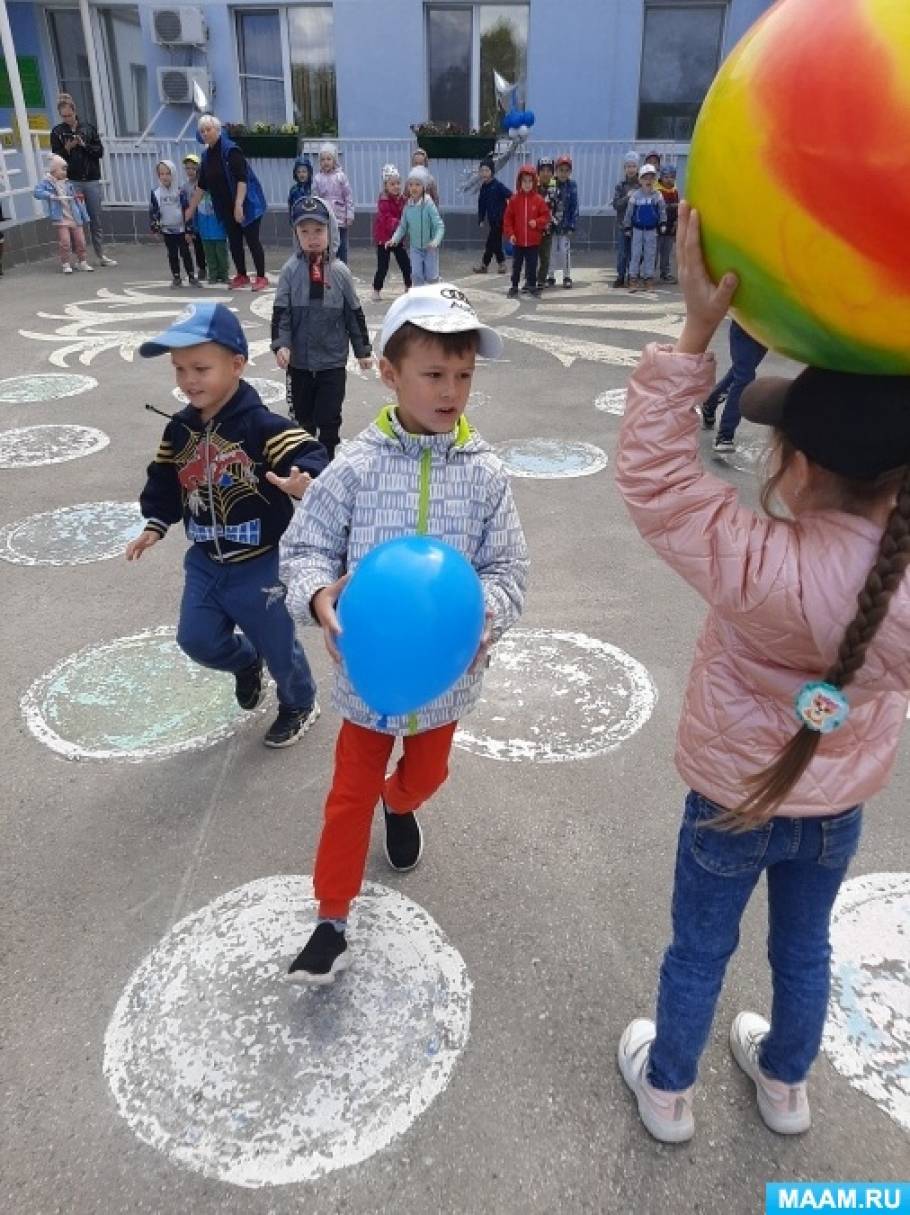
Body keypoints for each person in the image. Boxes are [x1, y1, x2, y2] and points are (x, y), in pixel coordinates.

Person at [615, 202, 910, 1145]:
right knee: (803, 946)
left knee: (699, 946)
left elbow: (658, 482)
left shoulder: (760, 561)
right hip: (835, 810)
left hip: (730, 796)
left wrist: (696, 330)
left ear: (796, 463)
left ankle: (669, 1090)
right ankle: (786, 1084)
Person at [279, 283, 529, 982]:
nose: (452, 390)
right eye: (434, 373)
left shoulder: (485, 474)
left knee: (427, 773)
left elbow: (510, 568)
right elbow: (304, 551)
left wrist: (486, 612)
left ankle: (403, 799)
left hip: (447, 682)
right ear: (389, 374)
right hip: (367, 679)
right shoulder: (354, 467)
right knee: (346, 796)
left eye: (464, 375)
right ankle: (331, 918)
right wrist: (317, 596)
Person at [126, 302, 329, 747]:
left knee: (279, 644)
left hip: (262, 563)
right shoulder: (178, 430)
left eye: (200, 368)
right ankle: (243, 662)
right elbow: (164, 479)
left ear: (236, 365)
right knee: (195, 639)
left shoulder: (262, 426)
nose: (188, 381)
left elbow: (308, 451)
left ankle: (299, 701)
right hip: (204, 561)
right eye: (179, 369)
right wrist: (154, 524)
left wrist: (303, 480)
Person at [272, 196, 373, 459]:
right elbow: (281, 313)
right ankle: (305, 458)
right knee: (302, 417)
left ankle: (327, 454)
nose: (312, 237)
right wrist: (281, 344)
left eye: (318, 230)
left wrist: (362, 350)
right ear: (295, 234)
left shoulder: (340, 273)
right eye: (304, 231)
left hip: (332, 362)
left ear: (331, 230)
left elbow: (354, 314)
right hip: (300, 363)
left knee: (329, 415)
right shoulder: (290, 271)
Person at [185, 115, 269, 291]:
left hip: (247, 202)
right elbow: (202, 185)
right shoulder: (206, 156)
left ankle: (261, 277)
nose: (205, 133)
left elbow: (242, 179)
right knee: (234, 241)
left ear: (218, 130)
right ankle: (242, 275)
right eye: (202, 131)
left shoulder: (231, 150)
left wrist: (238, 205)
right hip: (225, 205)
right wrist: (191, 208)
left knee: (252, 240)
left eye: (209, 129)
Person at [50, 92, 116, 267]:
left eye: (69, 115)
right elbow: (56, 159)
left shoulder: (88, 127)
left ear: (75, 111)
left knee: (95, 218)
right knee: (74, 221)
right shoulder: (57, 131)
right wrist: (68, 148)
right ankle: (80, 258)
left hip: (91, 178)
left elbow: (100, 152)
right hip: (71, 181)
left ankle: (101, 255)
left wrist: (83, 144)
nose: (67, 119)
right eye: (63, 116)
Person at [700, 319, 768, 453]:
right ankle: (725, 435)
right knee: (744, 376)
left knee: (742, 372)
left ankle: (710, 402)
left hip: (767, 329)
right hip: (745, 324)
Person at [33, 154, 93, 274]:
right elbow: (37, 192)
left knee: (81, 241)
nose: (65, 172)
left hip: (75, 216)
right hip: (60, 218)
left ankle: (82, 262)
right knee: (65, 242)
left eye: (66, 169)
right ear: (54, 170)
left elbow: (76, 200)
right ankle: (65, 263)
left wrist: (79, 202)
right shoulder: (47, 183)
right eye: (63, 169)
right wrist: (50, 196)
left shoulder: (68, 183)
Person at [386, 166, 444, 287]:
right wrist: (394, 240)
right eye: (411, 184)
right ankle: (419, 301)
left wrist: (435, 241)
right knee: (416, 276)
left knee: (431, 277)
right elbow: (402, 227)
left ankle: (436, 293)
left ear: (424, 187)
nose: (414, 188)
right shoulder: (407, 206)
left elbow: (440, 226)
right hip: (415, 248)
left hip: (430, 248)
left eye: (418, 184)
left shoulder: (429, 204)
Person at [503, 163, 550, 299]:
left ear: (534, 182)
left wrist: (537, 223)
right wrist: (510, 234)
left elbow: (546, 217)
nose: (527, 184)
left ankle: (531, 285)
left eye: (530, 181)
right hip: (518, 242)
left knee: (532, 265)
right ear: (519, 182)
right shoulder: (514, 200)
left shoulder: (539, 200)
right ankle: (514, 286)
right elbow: (508, 219)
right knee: (516, 266)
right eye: (524, 181)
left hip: (533, 242)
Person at [149, 160, 200, 289]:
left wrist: (189, 230)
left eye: (168, 173)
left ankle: (191, 276)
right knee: (172, 254)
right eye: (161, 174)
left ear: (174, 174)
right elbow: (154, 211)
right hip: (167, 230)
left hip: (181, 229)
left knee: (185, 253)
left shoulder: (180, 191)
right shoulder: (156, 193)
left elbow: (186, 210)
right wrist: (155, 229)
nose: (165, 177)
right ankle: (176, 277)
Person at [623, 163, 667, 291]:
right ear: (640, 180)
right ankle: (633, 279)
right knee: (636, 254)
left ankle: (648, 279)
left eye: (651, 178)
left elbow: (662, 210)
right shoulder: (635, 196)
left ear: (655, 180)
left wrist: (663, 223)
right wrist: (627, 226)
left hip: (651, 230)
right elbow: (629, 212)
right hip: (637, 229)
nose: (648, 181)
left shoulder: (658, 196)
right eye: (645, 178)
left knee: (650, 254)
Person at [372, 164, 411, 301]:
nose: (396, 186)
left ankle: (409, 286)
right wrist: (400, 224)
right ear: (386, 186)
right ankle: (376, 289)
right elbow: (386, 219)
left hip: (397, 238)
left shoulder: (402, 199)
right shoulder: (383, 201)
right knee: (383, 266)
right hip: (383, 239)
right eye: (392, 184)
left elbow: (408, 209)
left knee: (405, 263)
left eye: (398, 183)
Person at [313, 143, 354, 265]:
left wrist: (349, 214)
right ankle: (327, 268)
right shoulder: (317, 178)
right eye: (323, 159)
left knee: (341, 245)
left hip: (340, 218)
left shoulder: (341, 177)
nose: (326, 162)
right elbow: (315, 197)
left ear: (334, 160)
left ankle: (343, 268)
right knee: (326, 244)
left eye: (329, 159)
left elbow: (348, 196)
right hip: (325, 218)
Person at [192, 166, 230, 287]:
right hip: (204, 231)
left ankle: (224, 275)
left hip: (219, 230)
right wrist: (195, 227)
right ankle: (213, 275)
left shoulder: (219, 192)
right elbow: (194, 212)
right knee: (209, 255)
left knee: (221, 254)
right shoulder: (197, 194)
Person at [473, 155, 511, 275]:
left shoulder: (498, 186)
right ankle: (498, 264)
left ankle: (489, 265)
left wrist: (510, 212)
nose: (484, 173)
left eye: (487, 170)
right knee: (494, 243)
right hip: (492, 220)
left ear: (492, 172)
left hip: (501, 220)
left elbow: (511, 195)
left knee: (491, 242)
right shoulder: (483, 188)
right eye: (482, 170)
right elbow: (481, 204)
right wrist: (481, 218)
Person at [611, 151, 640, 287]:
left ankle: (632, 276)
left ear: (637, 168)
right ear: (624, 168)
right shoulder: (620, 186)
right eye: (628, 166)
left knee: (635, 253)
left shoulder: (642, 185)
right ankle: (620, 276)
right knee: (622, 252)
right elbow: (616, 205)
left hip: (637, 225)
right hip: (622, 225)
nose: (631, 169)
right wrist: (627, 197)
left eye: (633, 166)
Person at [552, 154, 579, 288]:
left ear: (570, 172)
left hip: (566, 224)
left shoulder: (572, 185)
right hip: (552, 225)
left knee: (564, 251)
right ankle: (550, 276)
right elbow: (548, 203)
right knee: (551, 251)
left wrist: (572, 225)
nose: (563, 173)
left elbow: (574, 206)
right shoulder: (552, 183)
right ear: (556, 170)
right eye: (561, 170)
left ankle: (566, 276)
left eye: (566, 170)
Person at [181, 154, 208, 283]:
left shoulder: (201, 184)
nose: (190, 171)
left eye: (193, 168)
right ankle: (201, 268)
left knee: (208, 244)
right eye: (187, 168)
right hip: (193, 221)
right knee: (198, 246)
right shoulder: (185, 187)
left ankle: (213, 267)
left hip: (203, 217)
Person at [535, 156, 558, 288]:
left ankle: (541, 280)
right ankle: (529, 279)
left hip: (548, 230)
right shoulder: (533, 188)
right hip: (533, 229)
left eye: (549, 170)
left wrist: (556, 221)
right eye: (542, 170)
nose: (545, 173)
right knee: (531, 257)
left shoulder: (555, 189)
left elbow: (558, 207)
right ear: (538, 172)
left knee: (545, 258)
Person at [657, 165, 680, 283]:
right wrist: (672, 206)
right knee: (654, 252)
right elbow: (659, 207)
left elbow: (678, 208)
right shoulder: (657, 190)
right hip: (658, 226)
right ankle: (647, 274)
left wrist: (677, 221)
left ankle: (665, 273)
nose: (669, 179)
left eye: (672, 177)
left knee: (667, 252)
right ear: (661, 177)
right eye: (666, 177)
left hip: (671, 227)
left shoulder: (675, 191)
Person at [288, 153, 314, 219]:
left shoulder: (313, 188)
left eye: (304, 171)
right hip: (298, 219)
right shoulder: (293, 190)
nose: (301, 174)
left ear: (309, 172)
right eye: (299, 172)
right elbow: (291, 208)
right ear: (295, 174)